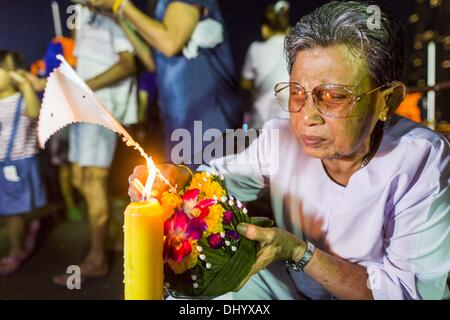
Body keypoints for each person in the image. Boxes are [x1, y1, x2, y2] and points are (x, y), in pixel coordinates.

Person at [128, 1, 450, 299]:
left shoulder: (421, 159)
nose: (307, 117)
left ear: (387, 101)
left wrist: (299, 252)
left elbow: (411, 292)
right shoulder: (280, 137)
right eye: (297, 92)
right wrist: (177, 178)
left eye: (333, 96)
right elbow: (218, 178)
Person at [89, 0, 242, 165]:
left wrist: (121, 4)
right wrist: (121, 19)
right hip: (180, 120)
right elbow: (154, 62)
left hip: (208, 118)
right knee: (188, 186)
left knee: (212, 184)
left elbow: (169, 43)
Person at [53, 3, 138, 284]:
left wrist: (84, 84)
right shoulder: (82, 14)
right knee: (78, 177)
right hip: (81, 105)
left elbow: (128, 63)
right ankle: (114, 235)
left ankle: (98, 258)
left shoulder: (109, 13)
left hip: (101, 107)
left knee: (92, 180)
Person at [0, 50, 46, 275]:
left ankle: (16, 250)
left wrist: (27, 86)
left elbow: (34, 111)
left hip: (17, 163)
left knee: (12, 211)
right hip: (4, 164)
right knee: (14, 208)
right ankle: (29, 227)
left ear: (15, 74)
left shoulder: (20, 99)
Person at [241, 1, 290, 129]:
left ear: (265, 29)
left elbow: (245, 83)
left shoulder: (255, 49)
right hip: (289, 121)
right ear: (288, 28)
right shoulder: (298, 49)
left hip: (261, 120)